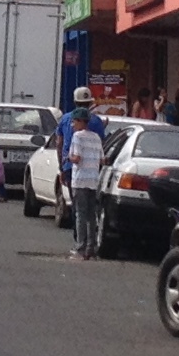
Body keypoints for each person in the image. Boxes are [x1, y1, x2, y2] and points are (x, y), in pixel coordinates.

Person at [63, 95, 108, 261]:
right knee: (91, 215)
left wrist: (68, 158)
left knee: (80, 215)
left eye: (74, 122)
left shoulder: (77, 137)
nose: (72, 125)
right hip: (93, 180)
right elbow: (102, 159)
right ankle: (91, 247)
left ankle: (80, 248)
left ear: (81, 121)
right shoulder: (96, 137)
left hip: (80, 180)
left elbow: (77, 158)